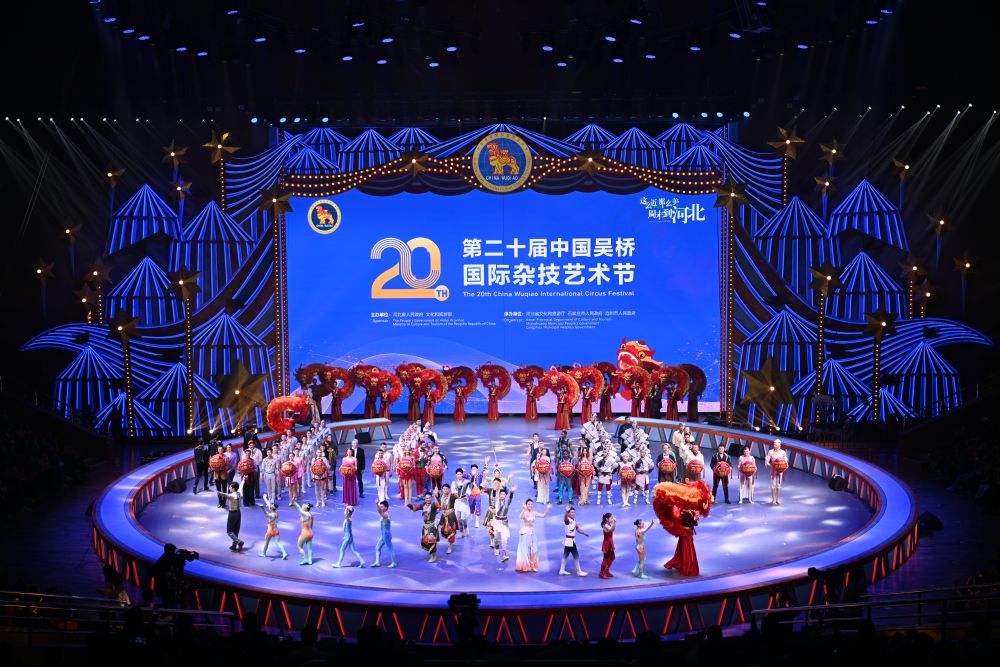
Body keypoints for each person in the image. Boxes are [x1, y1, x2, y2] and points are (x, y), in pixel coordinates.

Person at [515, 498, 551, 572]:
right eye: (529, 504)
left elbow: (543, 515)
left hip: (532, 533)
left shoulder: (533, 512)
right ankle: (524, 566)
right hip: (525, 533)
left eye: (531, 504)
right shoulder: (524, 512)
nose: (530, 505)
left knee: (534, 550)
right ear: (526, 505)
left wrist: (547, 509)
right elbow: (524, 518)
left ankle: (532, 565)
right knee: (525, 550)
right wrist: (524, 509)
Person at [409, 491, 441, 563]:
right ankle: (432, 556)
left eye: (429, 498)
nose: (428, 499)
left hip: (432, 526)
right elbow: (415, 508)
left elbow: (438, 506)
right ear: (424, 499)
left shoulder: (433, 504)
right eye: (426, 498)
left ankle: (433, 557)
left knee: (432, 542)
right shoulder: (423, 504)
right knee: (427, 541)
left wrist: (435, 496)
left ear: (431, 498)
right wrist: (411, 506)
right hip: (425, 526)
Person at [217, 478, 246, 552]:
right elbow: (241, 486)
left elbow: (225, 495)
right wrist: (243, 480)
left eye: (230, 487)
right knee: (236, 530)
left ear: (233, 488)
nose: (229, 488)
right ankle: (234, 546)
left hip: (232, 514)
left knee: (229, 531)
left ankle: (239, 542)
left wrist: (219, 493)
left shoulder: (231, 495)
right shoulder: (239, 493)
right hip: (238, 513)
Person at [559, 506, 589, 576]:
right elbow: (565, 519)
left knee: (565, 555)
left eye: (574, 512)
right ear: (568, 513)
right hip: (570, 541)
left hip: (570, 541)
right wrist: (566, 511)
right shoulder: (567, 520)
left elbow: (577, 529)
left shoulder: (574, 520)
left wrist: (584, 533)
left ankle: (562, 570)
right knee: (576, 555)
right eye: (572, 512)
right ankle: (579, 571)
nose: (573, 513)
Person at [492, 485, 515, 562]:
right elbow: (493, 497)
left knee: (504, 540)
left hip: (504, 523)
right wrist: (494, 490)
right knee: (496, 538)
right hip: (497, 522)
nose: (502, 495)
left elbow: (510, 499)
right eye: (501, 494)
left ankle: (505, 555)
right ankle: (497, 548)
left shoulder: (507, 503)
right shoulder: (496, 501)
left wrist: (511, 492)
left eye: (504, 494)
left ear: (505, 496)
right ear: (499, 495)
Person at [372, 500, 398, 567]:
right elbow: (380, 511)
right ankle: (377, 562)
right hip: (384, 535)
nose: (380, 508)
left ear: (386, 508)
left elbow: (379, 511)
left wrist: (376, 504)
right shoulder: (384, 514)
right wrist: (377, 505)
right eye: (380, 507)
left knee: (390, 548)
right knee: (377, 547)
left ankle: (394, 563)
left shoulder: (386, 515)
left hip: (386, 535)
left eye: (382, 507)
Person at [292, 500, 315, 565]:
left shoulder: (305, 514)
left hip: (305, 533)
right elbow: (311, 525)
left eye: (303, 505)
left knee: (299, 546)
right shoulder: (311, 515)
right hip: (310, 533)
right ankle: (310, 561)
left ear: (305, 508)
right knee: (309, 548)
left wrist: (294, 502)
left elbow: (299, 508)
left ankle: (304, 559)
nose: (302, 506)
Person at [765, 438, 789, 505]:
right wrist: (769, 464)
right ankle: (773, 499)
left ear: (779, 445)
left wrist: (786, 465)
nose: (774, 445)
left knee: (778, 485)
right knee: (773, 485)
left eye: (775, 444)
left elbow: (786, 460)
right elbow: (767, 460)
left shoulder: (783, 452)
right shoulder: (770, 452)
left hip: (780, 470)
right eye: (774, 444)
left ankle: (777, 499)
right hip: (773, 470)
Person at [598, 513, 616, 579]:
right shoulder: (605, 525)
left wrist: (613, 522)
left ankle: (606, 570)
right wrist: (615, 522)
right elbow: (611, 530)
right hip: (607, 544)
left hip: (610, 543)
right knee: (605, 559)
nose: (612, 519)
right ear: (607, 519)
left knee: (612, 557)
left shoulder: (608, 524)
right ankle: (602, 573)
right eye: (611, 518)